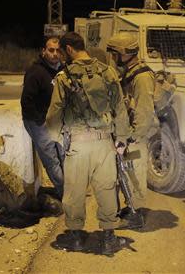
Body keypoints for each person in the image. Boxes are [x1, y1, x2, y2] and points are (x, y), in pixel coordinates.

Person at [46, 32, 130, 256]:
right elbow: (120, 108)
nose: (62, 56)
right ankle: (108, 238)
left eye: (62, 52)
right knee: (106, 189)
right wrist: (120, 140)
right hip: (104, 144)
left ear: (69, 50)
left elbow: (54, 113)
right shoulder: (107, 71)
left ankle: (75, 238)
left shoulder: (64, 77)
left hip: (78, 144)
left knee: (74, 191)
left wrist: (57, 139)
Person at [106, 32, 159, 229]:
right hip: (129, 135)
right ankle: (131, 208)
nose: (113, 58)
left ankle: (136, 215)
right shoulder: (130, 72)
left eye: (115, 54)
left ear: (124, 53)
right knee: (126, 173)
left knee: (134, 174)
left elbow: (144, 111)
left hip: (136, 138)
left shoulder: (142, 77)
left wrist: (132, 139)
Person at [21, 36, 64, 199]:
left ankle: (69, 190)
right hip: (38, 122)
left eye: (57, 50)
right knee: (51, 160)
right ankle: (65, 193)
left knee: (65, 156)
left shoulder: (63, 70)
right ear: (43, 51)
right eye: (51, 50)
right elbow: (26, 102)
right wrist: (41, 120)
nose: (54, 54)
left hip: (58, 122)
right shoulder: (35, 72)